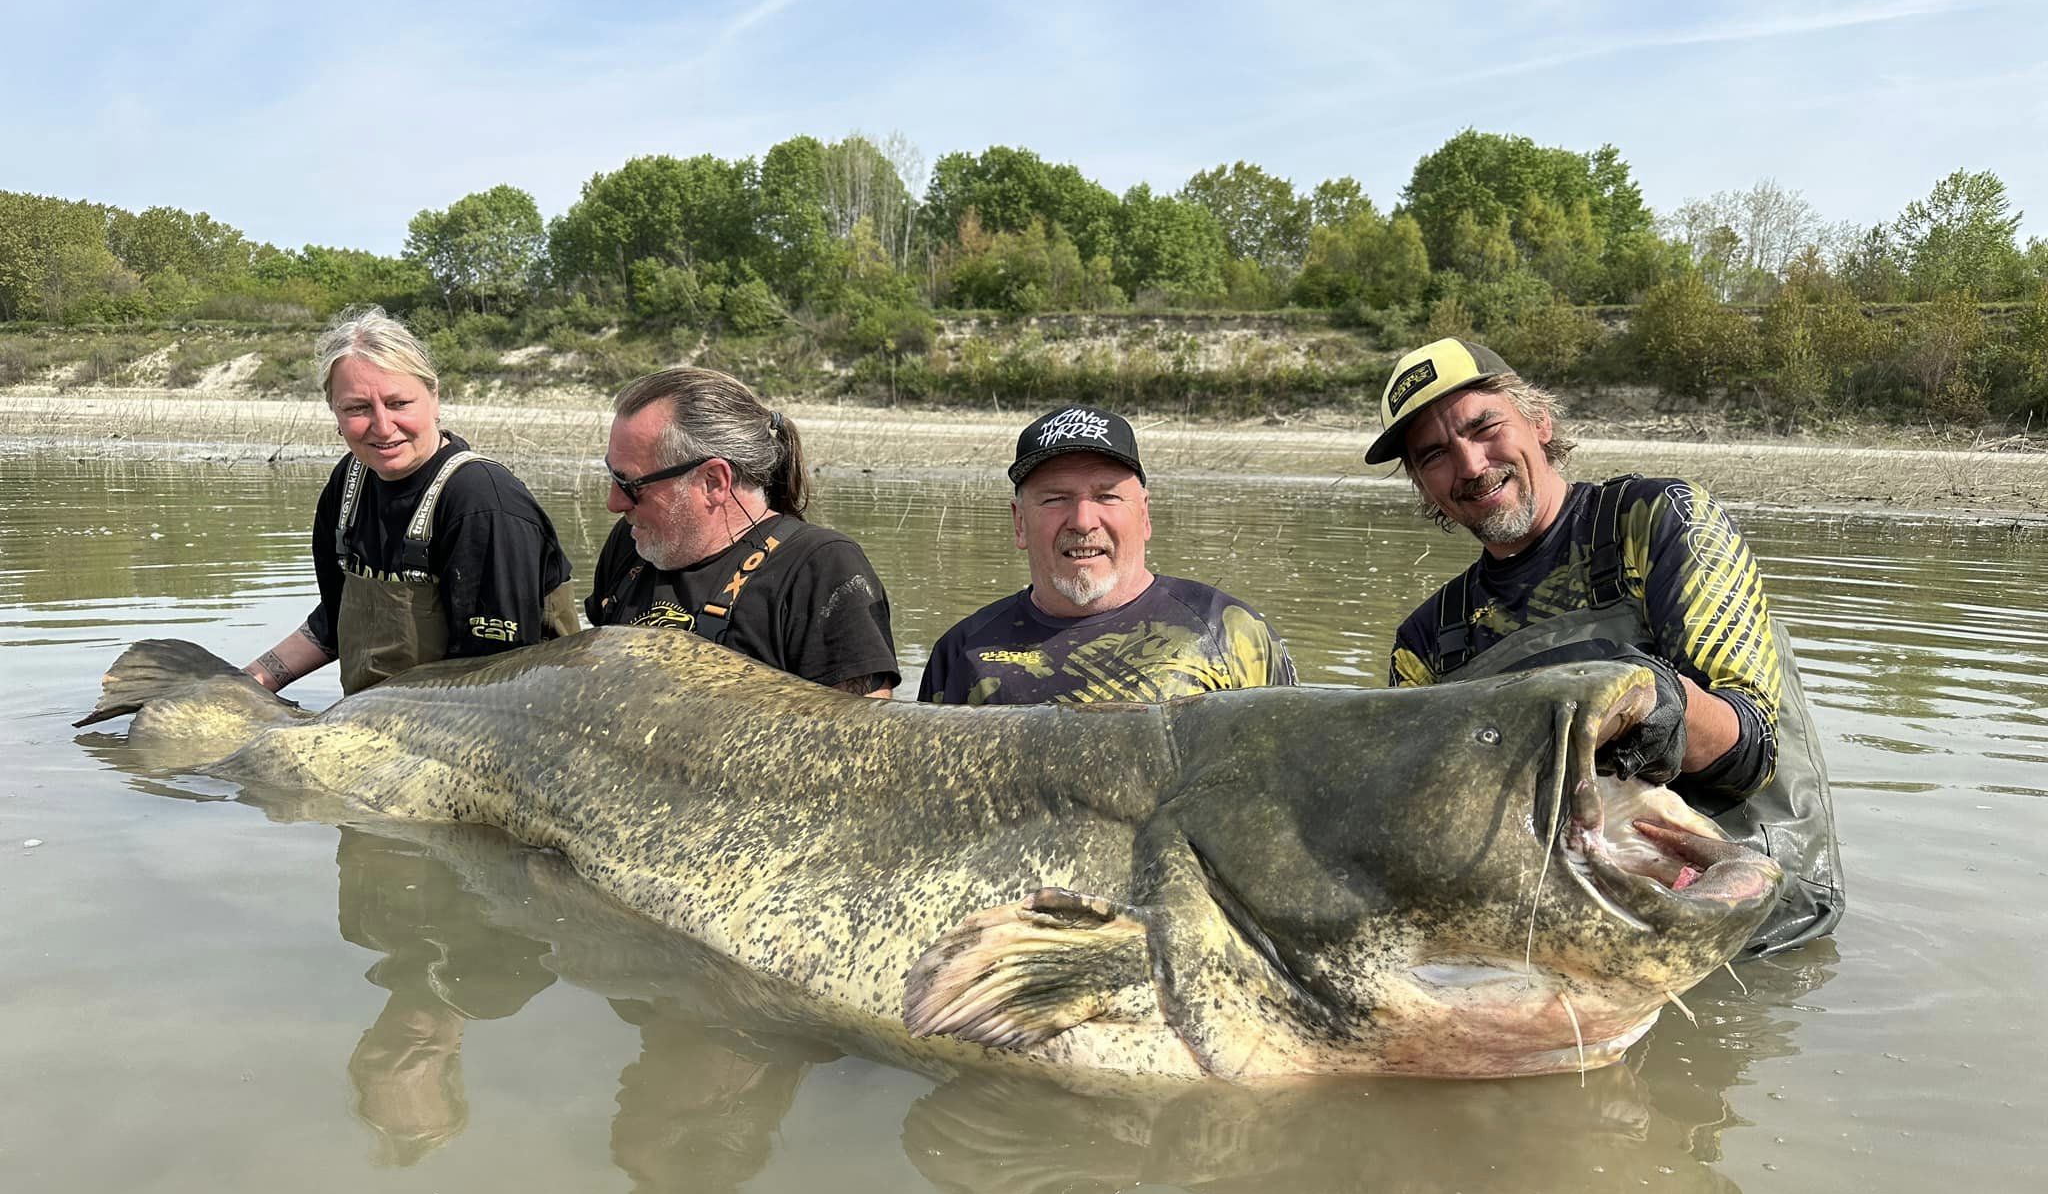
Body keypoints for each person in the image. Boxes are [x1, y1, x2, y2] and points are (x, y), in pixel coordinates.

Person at [1369, 336, 1843, 953]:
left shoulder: (1660, 521)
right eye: (1433, 455)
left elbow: (1750, 746)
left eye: (1484, 427)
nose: (1470, 465)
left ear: (1539, 423)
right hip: (1562, 935)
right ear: (1423, 485)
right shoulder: (1426, 641)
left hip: (1748, 921)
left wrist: (1654, 701)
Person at [244, 306, 578, 696]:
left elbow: (497, 677)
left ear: (434, 398)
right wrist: (247, 685)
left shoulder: (483, 502)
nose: (383, 427)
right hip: (378, 718)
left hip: (496, 716)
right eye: (357, 408)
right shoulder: (348, 482)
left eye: (399, 403)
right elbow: (334, 621)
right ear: (334, 412)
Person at [919, 405, 1296, 705]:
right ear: (1019, 523)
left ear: (1145, 514)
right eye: (1055, 499)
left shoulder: (1228, 631)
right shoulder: (961, 652)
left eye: (1107, 496)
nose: (1083, 522)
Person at [585, 367, 899, 697]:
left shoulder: (820, 569)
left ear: (713, 482)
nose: (614, 503)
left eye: (629, 485)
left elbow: (861, 738)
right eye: (611, 473)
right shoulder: (631, 544)